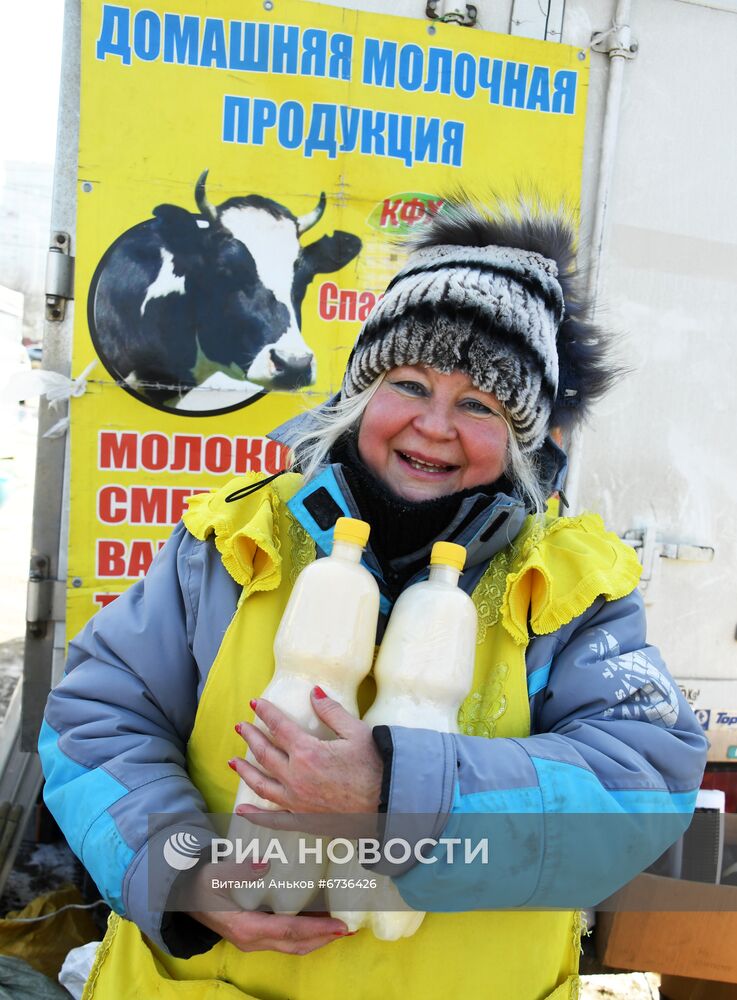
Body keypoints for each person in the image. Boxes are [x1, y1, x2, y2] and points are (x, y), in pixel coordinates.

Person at [39, 198, 708, 1000]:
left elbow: (640, 789)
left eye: (479, 404)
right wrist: (181, 873)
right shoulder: (233, 545)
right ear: (360, 394)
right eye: (409, 384)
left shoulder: (565, 591)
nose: (433, 426)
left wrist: (399, 789)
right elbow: (94, 723)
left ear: (523, 437)